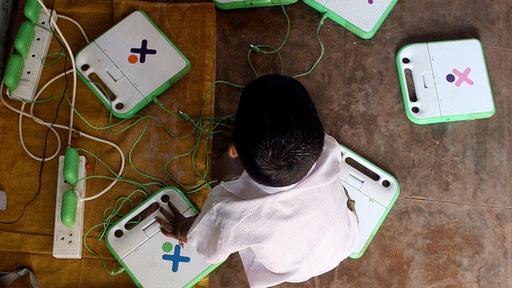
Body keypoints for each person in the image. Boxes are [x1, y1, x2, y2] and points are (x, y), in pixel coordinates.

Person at [156, 74, 358, 288]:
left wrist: (182, 228)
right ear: (318, 134)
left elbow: (208, 246)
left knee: (225, 193)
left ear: (234, 150)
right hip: (343, 241)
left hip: (292, 271)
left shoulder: (227, 211)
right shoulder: (329, 150)